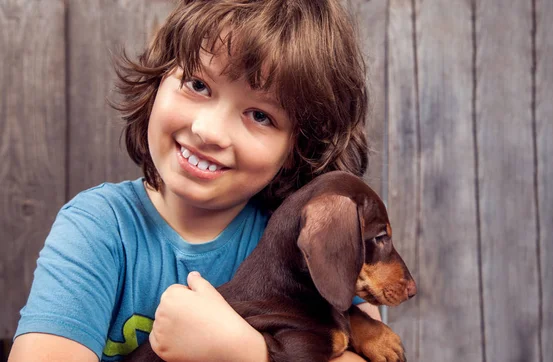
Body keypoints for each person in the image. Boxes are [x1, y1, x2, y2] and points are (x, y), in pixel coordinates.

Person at [9, 0, 379, 361]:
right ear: (159, 80)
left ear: (298, 148)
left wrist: (243, 354)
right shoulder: (99, 229)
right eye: (198, 85)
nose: (209, 131)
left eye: (260, 115)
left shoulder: (311, 242)